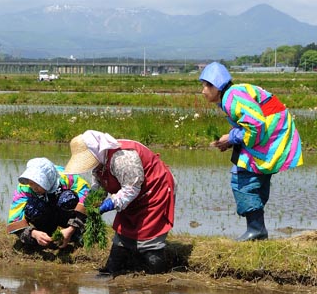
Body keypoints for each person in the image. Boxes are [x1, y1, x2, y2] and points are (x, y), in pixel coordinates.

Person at [199, 61, 303, 241]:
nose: (203, 91)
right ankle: (257, 228)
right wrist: (230, 141)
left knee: (243, 178)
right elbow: (251, 125)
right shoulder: (232, 95)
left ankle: (256, 229)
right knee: (255, 177)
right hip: (271, 134)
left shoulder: (232, 97)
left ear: (217, 86)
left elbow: (256, 125)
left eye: (206, 86)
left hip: (270, 136)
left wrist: (231, 137)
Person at [64, 130, 176, 275]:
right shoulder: (99, 163)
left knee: (150, 238)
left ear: (96, 151)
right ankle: (118, 265)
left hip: (154, 191)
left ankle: (157, 273)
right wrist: (91, 203)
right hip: (133, 196)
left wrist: (110, 204)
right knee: (123, 236)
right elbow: (99, 187)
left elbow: (131, 188)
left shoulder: (122, 157)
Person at [7, 157, 90, 250]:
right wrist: (33, 233)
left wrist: (71, 228)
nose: (34, 188)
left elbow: (88, 197)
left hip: (65, 215)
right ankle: (44, 235)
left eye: (38, 183)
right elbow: (14, 219)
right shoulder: (24, 187)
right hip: (44, 218)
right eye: (31, 183)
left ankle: (75, 233)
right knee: (32, 207)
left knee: (68, 198)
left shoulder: (66, 177)